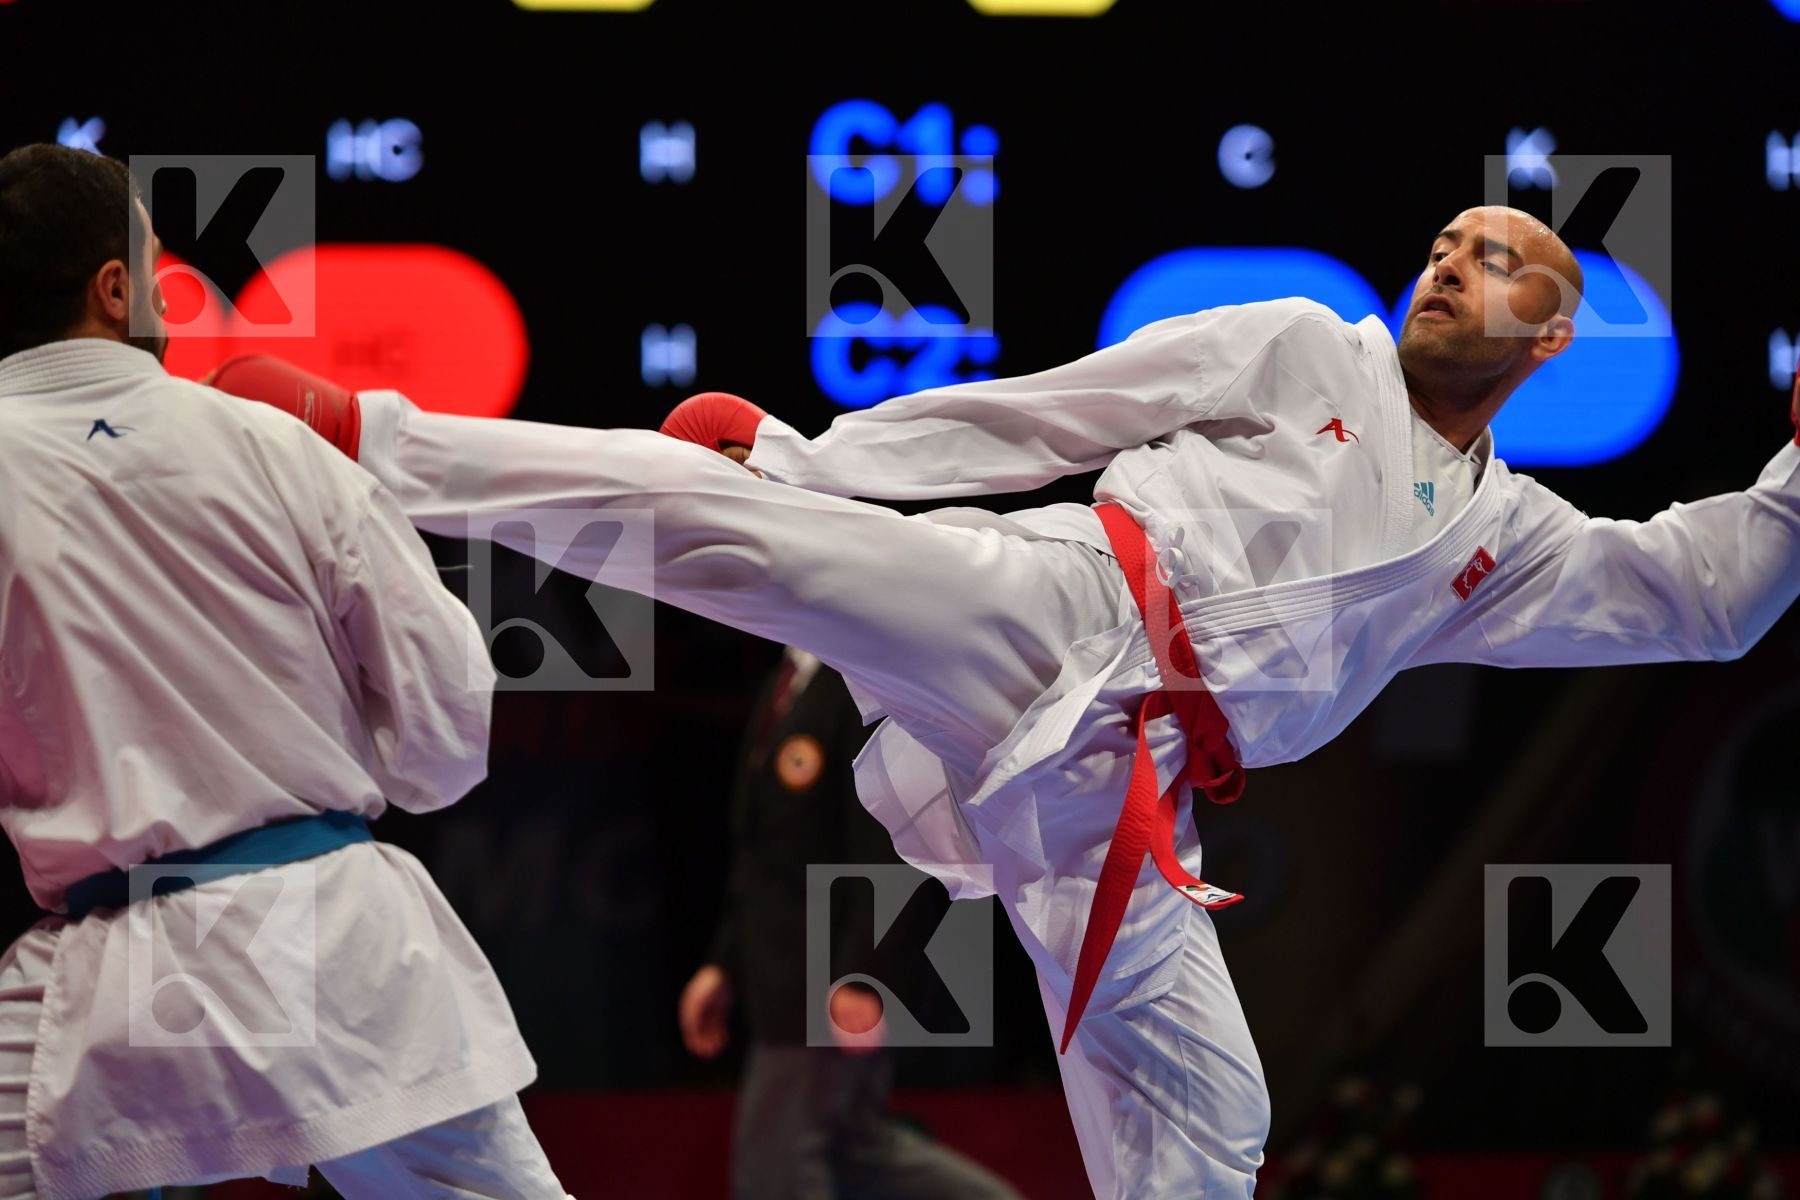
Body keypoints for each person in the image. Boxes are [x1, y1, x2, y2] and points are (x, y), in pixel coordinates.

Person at [213, 206, 1800, 1199]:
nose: (1453, 264)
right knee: (752, 544)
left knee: (1212, 1114)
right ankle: (369, 436)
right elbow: (1047, 412)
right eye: (1446, 245)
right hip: (1056, 607)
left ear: (1555, 328)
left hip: (1126, 804)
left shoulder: (1501, 540)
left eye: (1499, 257)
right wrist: (813, 458)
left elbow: (1708, 596)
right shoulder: (1307, 343)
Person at [0, 143, 572, 1199]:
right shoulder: (278, 444)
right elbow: (449, 731)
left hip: (100, 970)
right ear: (113, 286)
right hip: (336, 945)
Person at [678, 645, 1022, 1199]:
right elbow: (767, 855)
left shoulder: (866, 686)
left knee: (777, 1167)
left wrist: (868, 978)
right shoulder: (788, 682)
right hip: (783, 974)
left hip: (829, 982)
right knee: (855, 1149)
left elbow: (893, 848)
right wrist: (724, 964)